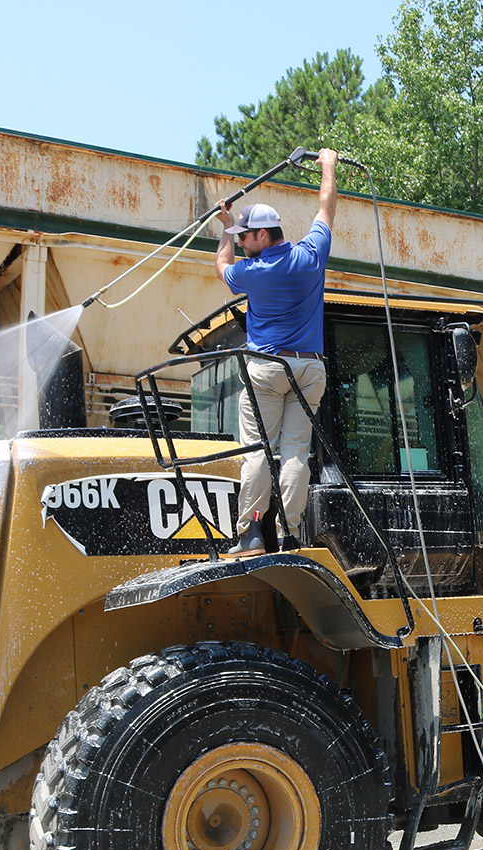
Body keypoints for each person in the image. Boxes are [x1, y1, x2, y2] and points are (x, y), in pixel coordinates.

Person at [214, 148, 339, 557]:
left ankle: (251, 533)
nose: (241, 241)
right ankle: (291, 534)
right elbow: (326, 207)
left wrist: (223, 230)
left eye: (244, 236)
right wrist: (328, 165)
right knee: (295, 454)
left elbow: (222, 266)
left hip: (267, 369)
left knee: (257, 451)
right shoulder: (310, 255)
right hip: (309, 370)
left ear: (263, 236)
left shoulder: (252, 273)